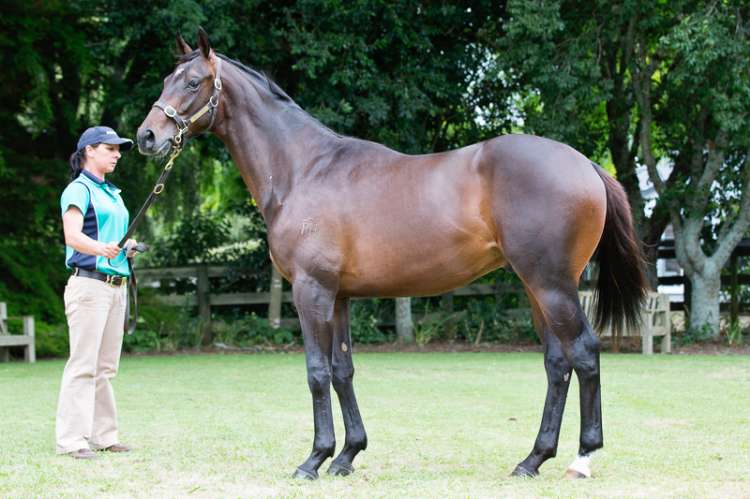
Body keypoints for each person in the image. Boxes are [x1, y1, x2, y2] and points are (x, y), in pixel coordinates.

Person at [56, 126, 138, 459]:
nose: (117, 154)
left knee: (105, 368)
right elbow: (72, 236)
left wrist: (126, 247)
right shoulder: (78, 189)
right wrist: (102, 249)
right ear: (90, 150)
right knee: (83, 365)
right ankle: (72, 440)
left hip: (116, 287)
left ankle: (104, 436)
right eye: (110, 148)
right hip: (89, 286)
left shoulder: (113, 193)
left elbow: (112, 238)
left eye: (118, 149)